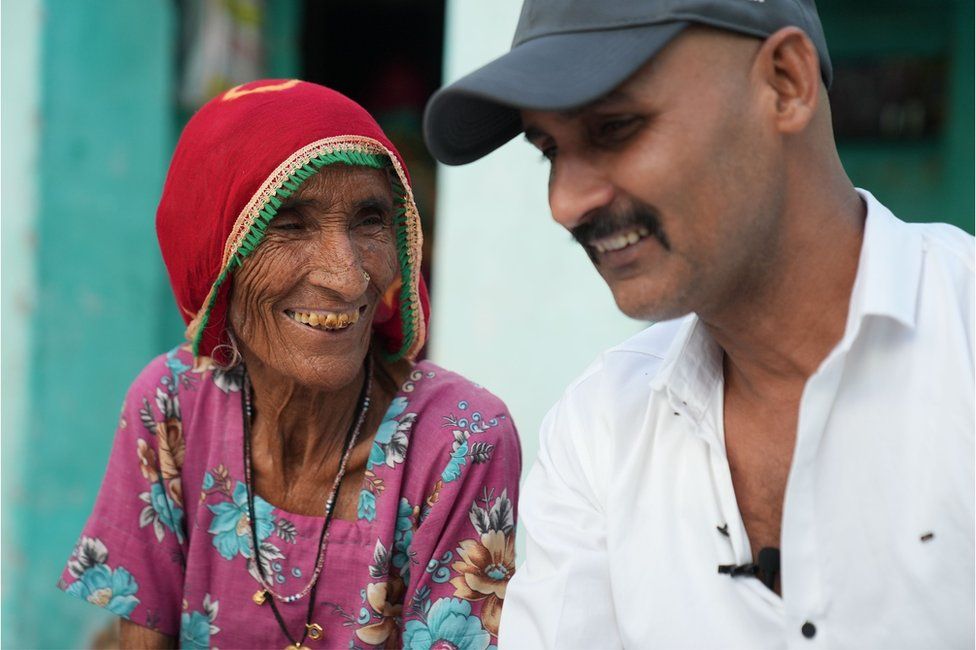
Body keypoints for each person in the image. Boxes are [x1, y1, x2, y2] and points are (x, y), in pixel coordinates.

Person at [424, 1, 975, 647]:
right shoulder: (600, 430)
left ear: (785, 83)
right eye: (549, 151)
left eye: (616, 128)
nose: (565, 203)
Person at [59, 80, 520, 649]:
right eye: (290, 224)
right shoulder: (173, 405)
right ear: (217, 256)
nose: (348, 276)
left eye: (370, 219)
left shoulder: (459, 441)